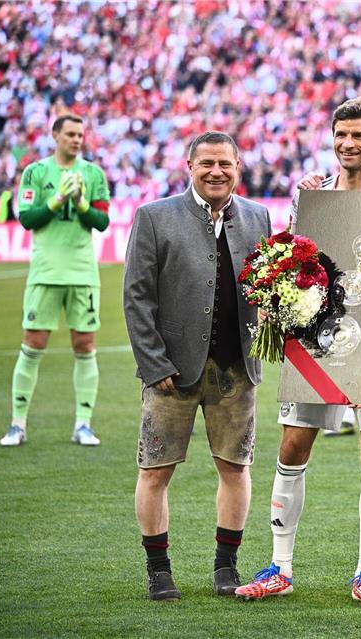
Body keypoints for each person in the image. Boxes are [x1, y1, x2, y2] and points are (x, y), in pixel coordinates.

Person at [235, 98, 361, 607]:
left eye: (358, 136)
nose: (348, 144)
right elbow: (288, 258)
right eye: (340, 135)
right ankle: (280, 566)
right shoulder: (308, 197)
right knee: (292, 445)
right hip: (314, 339)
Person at [123, 131, 271, 601]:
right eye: (206, 163)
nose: (216, 172)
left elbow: (268, 287)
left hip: (236, 369)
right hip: (170, 373)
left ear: (238, 168)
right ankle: (158, 570)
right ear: (189, 166)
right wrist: (152, 362)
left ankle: (226, 567)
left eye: (225, 164)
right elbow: (136, 297)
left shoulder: (257, 217)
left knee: (235, 468)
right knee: (155, 472)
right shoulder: (154, 217)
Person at [1, 114, 110, 448]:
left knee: (85, 345)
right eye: (71, 134)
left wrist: (80, 204)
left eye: (80, 134)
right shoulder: (35, 172)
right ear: (55, 136)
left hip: (82, 272)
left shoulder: (93, 174)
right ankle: (18, 424)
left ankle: (83, 424)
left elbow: (103, 221)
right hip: (45, 272)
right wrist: (57, 200)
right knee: (33, 343)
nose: (77, 139)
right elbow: (28, 219)